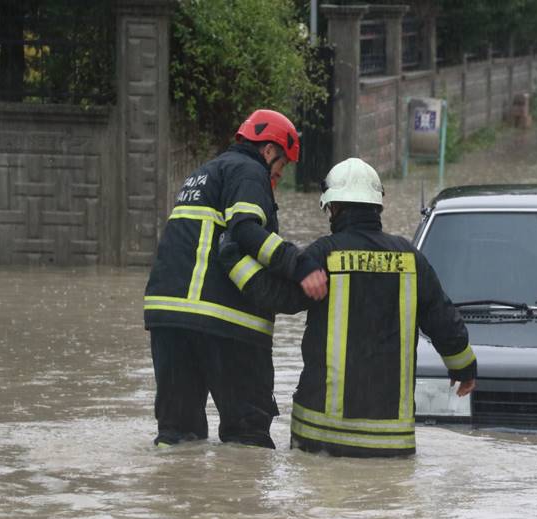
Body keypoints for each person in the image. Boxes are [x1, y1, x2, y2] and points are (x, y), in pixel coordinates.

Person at [218, 157, 477, 457]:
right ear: (377, 206)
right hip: (390, 442)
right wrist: (464, 368)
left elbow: (276, 296)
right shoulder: (411, 259)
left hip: (321, 437)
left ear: (334, 208)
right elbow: (444, 321)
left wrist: (232, 260)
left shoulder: (324, 254)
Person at [144, 109, 328, 449]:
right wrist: (300, 267)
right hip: (223, 321)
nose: (279, 174)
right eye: (283, 165)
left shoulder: (204, 174)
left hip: (167, 319)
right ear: (269, 150)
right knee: (247, 438)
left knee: (178, 436)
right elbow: (245, 229)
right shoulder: (248, 171)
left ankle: (170, 497)